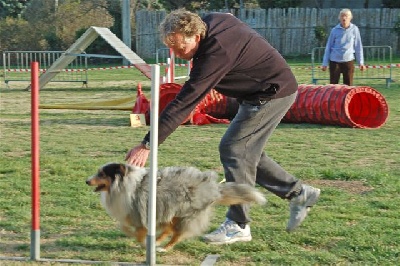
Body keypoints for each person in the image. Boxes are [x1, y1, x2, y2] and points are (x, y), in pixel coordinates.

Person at [125, 9, 320, 244]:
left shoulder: (215, 55)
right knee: (247, 153)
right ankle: (299, 193)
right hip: (255, 93)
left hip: (272, 93)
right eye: (172, 47)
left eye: (180, 48)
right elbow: (227, 16)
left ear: (196, 36)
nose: (176, 53)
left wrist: (148, 143)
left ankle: (239, 225)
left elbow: (184, 103)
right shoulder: (213, 20)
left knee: (234, 150)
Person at [322, 8, 366, 86]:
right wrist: (324, 63)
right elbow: (328, 47)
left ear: (350, 18)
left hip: (348, 60)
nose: (344, 18)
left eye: (346, 16)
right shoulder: (334, 30)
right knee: (333, 86)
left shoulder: (354, 29)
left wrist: (361, 62)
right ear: (339, 18)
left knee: (348, 85)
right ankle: (333, 98)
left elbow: (358, 47)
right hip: (335, 61)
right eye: (342, 16)